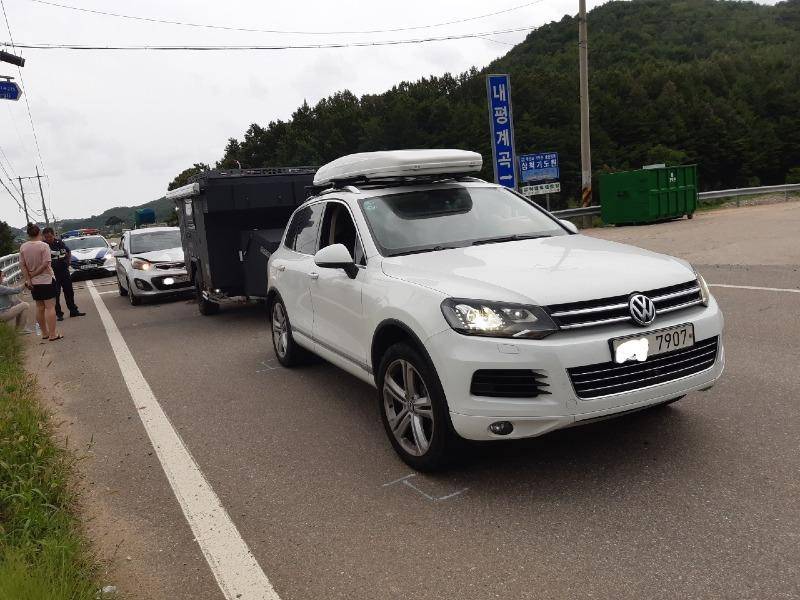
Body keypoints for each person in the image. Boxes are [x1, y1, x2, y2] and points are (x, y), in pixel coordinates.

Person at [19, 222, 62, 341]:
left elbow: (22, 265)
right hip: (46, 279)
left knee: (39, 307)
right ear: (39, 233)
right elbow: (45, 264)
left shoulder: (23, 247)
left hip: (33, 283)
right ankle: (53, 334)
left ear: (29, 234)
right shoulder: (44, 246)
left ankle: (44, 333)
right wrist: (34, 273)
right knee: (50, 307)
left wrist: (29, 278)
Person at [43, 226, 85, 321]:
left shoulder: (59, 242)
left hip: (63, 270)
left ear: (53, 235)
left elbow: (68, 251)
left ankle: (73, 311)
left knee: (69, 291)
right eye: (46, 237)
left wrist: (68, 262)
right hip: (53, 273)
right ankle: (59, 314)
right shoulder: (44, 245)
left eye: (50, 236)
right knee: (55, 294)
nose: (48, 239)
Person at [0, 268, 32, 333]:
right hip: (2, 314)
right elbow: (16, 290)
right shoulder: (1, 288)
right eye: (2, 276)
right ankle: (20, 329)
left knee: (18, 302)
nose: (3, 278)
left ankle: (19, 328)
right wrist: (25, 284)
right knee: (25, 305)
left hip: (2, 311)